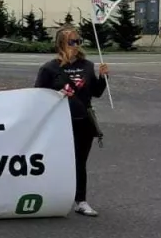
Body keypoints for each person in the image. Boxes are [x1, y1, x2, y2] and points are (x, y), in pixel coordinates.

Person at [35, 26, 109, 217]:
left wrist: (103, 77)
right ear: (61, 44)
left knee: (79, 162)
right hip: (59, 122)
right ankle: (51, 197)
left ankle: (81, 200)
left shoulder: (86, 65)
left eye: (79, 41)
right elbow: (37, 96)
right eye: (72, 42)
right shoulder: (50, 68)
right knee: (55, 161)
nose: (76, 45)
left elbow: (96, 93)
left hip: (82, 120)